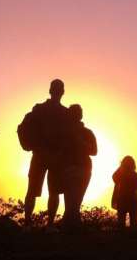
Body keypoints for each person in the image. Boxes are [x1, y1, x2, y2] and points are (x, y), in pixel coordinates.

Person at [17, 79, 70, 227]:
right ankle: (38, 224)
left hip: (51, 156)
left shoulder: (52, 111)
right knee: (41, 190)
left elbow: (22, 127)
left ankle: (40, 224)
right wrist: (29, 146)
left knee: (51, 191)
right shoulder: (43, 110)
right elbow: (22, 128)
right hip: (45, 155)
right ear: (61, 92)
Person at [62, 104, 97, 229]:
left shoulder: (86, 132)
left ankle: (70, 227)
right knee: (74, 202)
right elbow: (94, 151)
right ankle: (72, 227)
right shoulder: (66, 133)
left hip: (80, 169)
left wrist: (80, 143)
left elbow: (94, 151)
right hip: (73, 169)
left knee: (74, 202)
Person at [112, 156, 137, 229]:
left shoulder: (120, 173)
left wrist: (121, 167)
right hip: (132, 199)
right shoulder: (134, 173)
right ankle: (133, 238)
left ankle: (122, 238)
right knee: (133, 222)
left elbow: (114, 178)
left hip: (122, 199)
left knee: (121, 222)